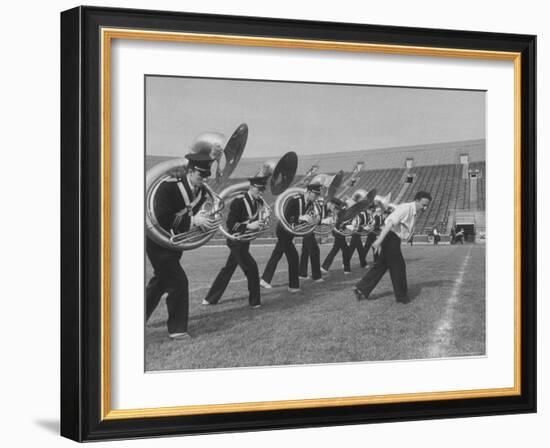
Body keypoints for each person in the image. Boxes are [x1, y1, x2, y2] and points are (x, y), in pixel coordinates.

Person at [146, 151, 217, 340]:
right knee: (178, 282)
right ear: (191, 171)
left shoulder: (201, 192)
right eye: (201, 175)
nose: (204, 179)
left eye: (206, 175)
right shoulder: (168, 186)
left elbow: (196, 217)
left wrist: (205, 221)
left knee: (159, 283)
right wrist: (194, 221)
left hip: (174, 245)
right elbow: (161, 216)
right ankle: (177, 330)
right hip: (157, 243)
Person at [202, 175, 269, 308]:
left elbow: (256, 218)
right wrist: (248, 226)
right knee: (252, 268)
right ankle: (255, 302)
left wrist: (261, 222)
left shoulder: (258, 202)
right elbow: (230, 224)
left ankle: (210, 299)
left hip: (244, 241)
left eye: (263, 190)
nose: (261, 193)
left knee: (228, 269)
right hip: (236, 240)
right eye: (259, 190)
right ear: (251, 187)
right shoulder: (239, 201)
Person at [353, 191, 432, 304]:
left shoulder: (413, 211)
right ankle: (402, 297)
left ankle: (361, 288)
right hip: (390, 238)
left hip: (393, 239)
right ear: (417, 200)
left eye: (426, 206)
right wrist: (379, 240)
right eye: (423, 205)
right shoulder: (405, 208)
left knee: (381, 266)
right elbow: (389, 223)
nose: (424, 208)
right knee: (398, 267)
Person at [261, 182, 322, 292]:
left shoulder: (310, 203)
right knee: (293, 257)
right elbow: (286, 216)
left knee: (277, 254)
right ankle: (293, 286)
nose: (316, 197)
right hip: (283, 230)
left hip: (290, 233)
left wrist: (313, 221)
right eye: (315, 194)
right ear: (308, 192)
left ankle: (265, 279)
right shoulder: (295, 199)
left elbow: (308, 219)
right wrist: (301, 217)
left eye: (317, 195)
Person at [321, 198, 352, 275]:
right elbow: (336, 222)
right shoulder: (339, 211)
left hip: (339, 232)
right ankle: (346, 268)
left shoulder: (341, 211)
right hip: (338, 233)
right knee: (344, 249)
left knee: (337, 250)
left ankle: (325, 267)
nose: (330, 206)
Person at [299, 198, 326, 282]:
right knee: (315, 251)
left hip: (309, 229)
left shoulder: (318, 204)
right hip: (308, 228)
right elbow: (317, 217)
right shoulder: (317, 204)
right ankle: (316, 276)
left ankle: (302, 274)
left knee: (305, 251)